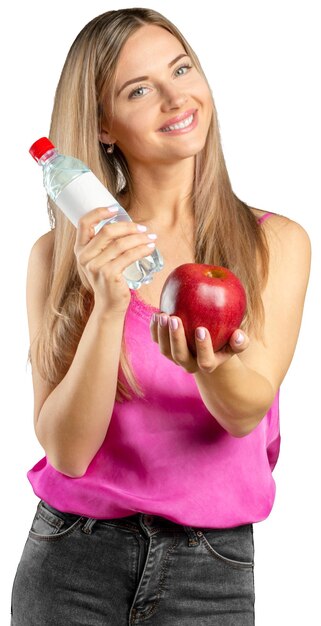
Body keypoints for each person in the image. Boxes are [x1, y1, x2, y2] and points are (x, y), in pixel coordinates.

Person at [10, 7, 311, 626]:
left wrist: (209, 366)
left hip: (211, 571)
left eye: (182, 69)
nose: (178, 97)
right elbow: (67, 452)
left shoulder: (271, 244)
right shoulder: (60, 257)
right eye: (139, 89)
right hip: (71, 562)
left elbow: (245, 410)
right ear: (104, 126)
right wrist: (108, 306)